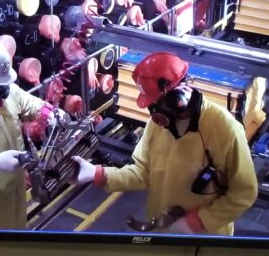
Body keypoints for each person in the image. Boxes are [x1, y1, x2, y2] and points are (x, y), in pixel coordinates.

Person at [73, 52, 258, 235]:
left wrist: (198, 221)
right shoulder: (157, 126)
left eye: (154, 104)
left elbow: (243, 193)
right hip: (164, 227)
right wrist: (99, 174)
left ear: (177, 99)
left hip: (205, 237)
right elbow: (142, 172)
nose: (152, 112)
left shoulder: (224, 128)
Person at [0, 37, 63, 229]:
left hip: (15, 187)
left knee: (17, 233)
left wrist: (50, 113)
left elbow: (29, 103)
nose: (4, 95)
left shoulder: (8, 89)